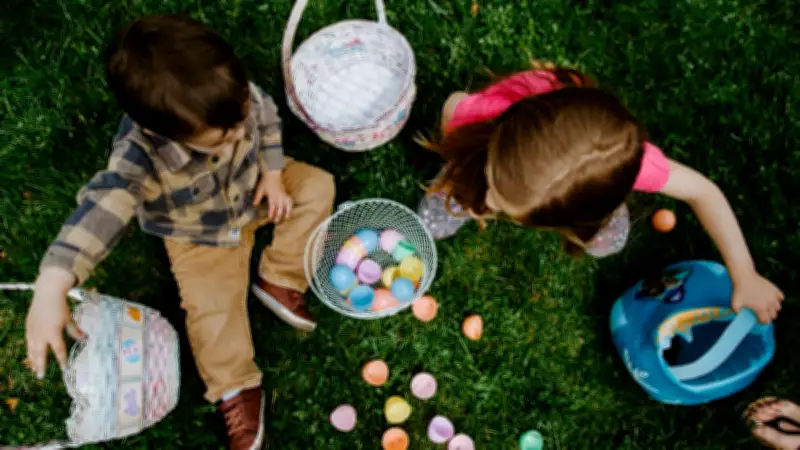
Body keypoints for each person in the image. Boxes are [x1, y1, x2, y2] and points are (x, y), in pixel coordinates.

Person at [24, 14, 335, 450]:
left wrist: (272, 172)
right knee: (212, 313)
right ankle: (234, 385)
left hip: (255, 190)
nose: (236, 136)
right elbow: (103, 208)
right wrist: (53, 282)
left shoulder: (232, 97)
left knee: (318, 186)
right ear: (159, 131)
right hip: (198, 234)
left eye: (240, 119)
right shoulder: (139, 157)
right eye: (220, 139)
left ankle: (280, 277)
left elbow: (265, 121)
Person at [417, 62, 783, 324]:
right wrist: (471, 168)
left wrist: (745, 274)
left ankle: (592, 214)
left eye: (502, 204)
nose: (489, 204)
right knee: (460, 187)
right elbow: (454, 104)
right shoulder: (484, 116)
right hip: (493, 140)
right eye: (495, 185)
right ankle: (468, 183)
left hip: (587, 189)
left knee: (606, 240)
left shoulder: (633, 166)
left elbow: (704, 192)